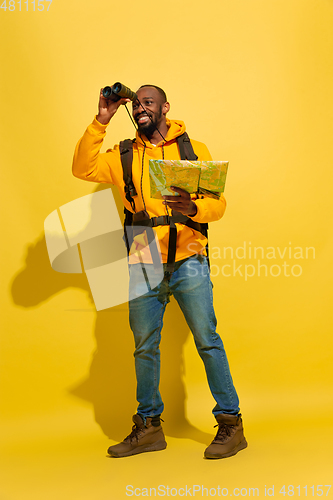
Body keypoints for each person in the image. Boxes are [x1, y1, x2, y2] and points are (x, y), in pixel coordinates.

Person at [72, 84, 247, 459]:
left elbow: (218, 205)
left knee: (207, 340)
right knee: (144, 347)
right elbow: (82, 168)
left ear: (165, 107)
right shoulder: (123, 154)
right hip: (143, 257)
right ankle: (149, 427)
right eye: (136, 105)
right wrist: (100, 121)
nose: (141, 109)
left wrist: (193, 208)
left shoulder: (193, 150)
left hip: (188, 254)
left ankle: (231, 424)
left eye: (147, 102)